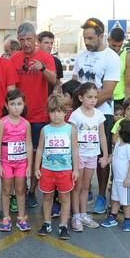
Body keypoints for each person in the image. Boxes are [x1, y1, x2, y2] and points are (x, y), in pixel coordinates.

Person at [72, 17, 121, 217]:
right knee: (80, 154)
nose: (87, 42)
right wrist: (79, 110)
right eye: (85, 38)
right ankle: (85, 191)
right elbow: (75, 83)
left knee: (102, 156)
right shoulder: (81, 57)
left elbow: (108, 91)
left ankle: (101, 194)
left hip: (102, 115)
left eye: (91, 38)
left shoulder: (112, 58)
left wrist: (88, 106)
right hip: (80, 116)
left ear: (101, 36)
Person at [10, 22, 58, 210]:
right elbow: (11, 88)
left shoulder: (46, 57)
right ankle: (16, 192)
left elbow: (53, 80)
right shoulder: (14, 59)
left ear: (35, 38)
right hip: (19, 116)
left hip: (39, 116)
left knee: (36, 155)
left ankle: (31, 192)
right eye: (22, 40)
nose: (26, 43)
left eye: (29, 39)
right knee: (17, 156)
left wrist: (42, 69)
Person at [35, 94, 78, 240]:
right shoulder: (45, 130)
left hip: (65, 171)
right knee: (47, 198)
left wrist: (76, 169)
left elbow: (75, 150)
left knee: (65, 198)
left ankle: (63, 225)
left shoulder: (70, 129)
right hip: (47, 170)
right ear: (48, 112)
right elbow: (40, 150)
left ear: (65, 112)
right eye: (53, 111)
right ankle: (47, 223)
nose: (56, 115)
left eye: (59, 111)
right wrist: (36, 168)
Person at [69, 82, 109, 231]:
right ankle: (76, 216)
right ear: (81, 98)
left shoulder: (99, 115)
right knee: (77, 187)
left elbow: (102, 136)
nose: (93, 100)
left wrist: (105, 155)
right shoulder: (75, 115)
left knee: (86, 186)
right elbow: (72, 138)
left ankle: (84, 214)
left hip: (92, 155)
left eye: (95, 97)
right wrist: (74, 157)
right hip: (79, 156)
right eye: (89, 97)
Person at [0, 89, 32, 233]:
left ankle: (21, 217)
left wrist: (29, 164)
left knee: (21, 189)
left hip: (21, 162)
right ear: (6, 105)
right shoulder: (2, 123)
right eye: (13, 104)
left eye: (19, 104)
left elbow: (28, 144)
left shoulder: (26, 124)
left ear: (24, 105)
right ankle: (6, 217)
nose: (16, 107)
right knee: (6, 189)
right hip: (6, 161)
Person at [106, 120, 130, 232]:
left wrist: (128, 178)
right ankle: (112, 217)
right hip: (117, 179)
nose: (117, 130)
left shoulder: (129, 147)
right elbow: (113, 157)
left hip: (126, 181)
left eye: (119, 128)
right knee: (115, 198)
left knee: (126, 202)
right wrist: (106, 161)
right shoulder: (118, 145)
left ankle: (127, 220)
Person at [107, 27, 130, 105]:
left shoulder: (127, 57)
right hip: (102, 97)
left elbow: (129, 84)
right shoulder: (102, 54)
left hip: (119, 99)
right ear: (108, 40)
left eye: (120, 46)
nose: (116, 49)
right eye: (114, 45)